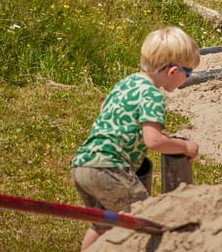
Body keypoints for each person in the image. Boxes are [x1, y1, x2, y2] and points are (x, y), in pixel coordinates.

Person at [70, 26, 201, 250]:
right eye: (187, 74)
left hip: (82, 164)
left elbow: (104, 108)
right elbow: (154, 141)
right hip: (110, 168)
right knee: (146, 218)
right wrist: (185, 145)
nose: (186, 80)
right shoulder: (152, 94)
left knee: (102, 225)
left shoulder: (126, 83)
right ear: (172, 72)